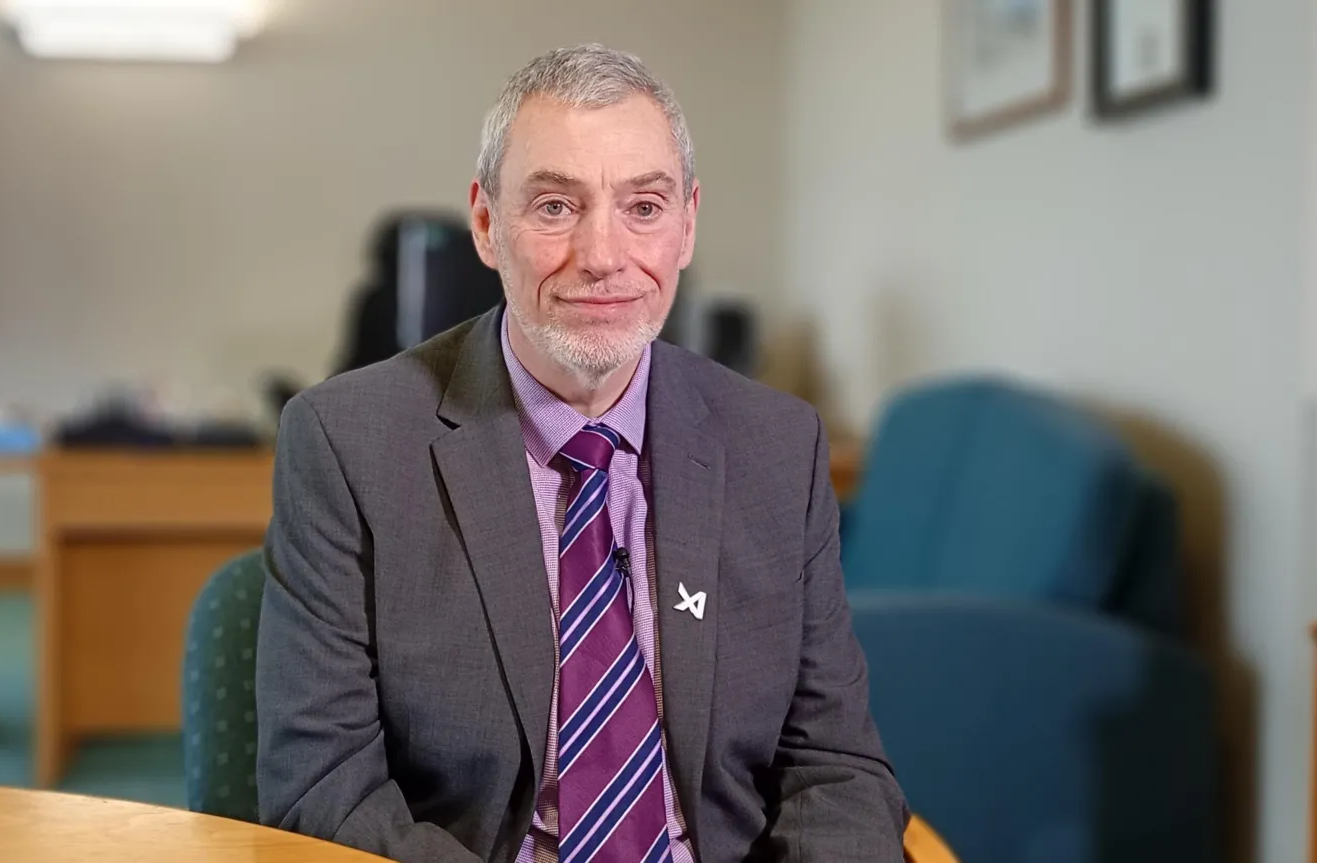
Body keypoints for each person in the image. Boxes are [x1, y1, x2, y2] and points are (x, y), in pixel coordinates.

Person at [255, 43, 910, 863]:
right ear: (488, 224)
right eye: (557, 206)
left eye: (643, 206)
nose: (603, 257)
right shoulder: (348, 442)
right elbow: (322, 786)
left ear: (687, 225)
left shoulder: (777, 445)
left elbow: (834, 763)